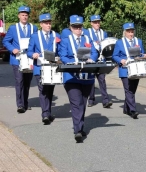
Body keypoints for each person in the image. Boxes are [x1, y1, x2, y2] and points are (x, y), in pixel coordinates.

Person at [59, 15, 98, 143]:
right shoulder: (66, 40)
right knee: (76, 103)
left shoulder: (87, 39)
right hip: (71, 77)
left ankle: (80, 126)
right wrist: (75, 61)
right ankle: (77, 131)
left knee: (82, 102)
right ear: (71, 27)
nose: (78, 29)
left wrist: (92, 58)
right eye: (75, 27)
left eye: (80, 27)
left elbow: (94, 52)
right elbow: (63, 56)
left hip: (87, 77)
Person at [3, 5, 38, 113]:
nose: (24, 17)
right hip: (17, 59)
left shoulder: (33, 28)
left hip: (29, 60)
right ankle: (20, 105)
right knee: (20, 81)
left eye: (26, 15)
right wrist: (12, 49)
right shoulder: (13, 28)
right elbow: (5, 41)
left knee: (27, 81)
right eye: (22, 15)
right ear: (19, 16)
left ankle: (25, 103)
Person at [27, 14, 60, 124]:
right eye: (46, 23)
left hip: (52, 68)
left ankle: (48, 112)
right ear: (41, 24)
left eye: (50, 23)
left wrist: (59, 58)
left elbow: (60, 50)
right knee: (43, 90)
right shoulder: (35, 36)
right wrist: (33, 55)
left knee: (50, 90)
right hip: (39, 68)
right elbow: (29, 52)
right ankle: (45, 113)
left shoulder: (55, 35)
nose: (48, 25)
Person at [112, 23, 146, 119]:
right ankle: (133, 110)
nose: (131, 34)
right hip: (125, 69)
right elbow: (115, 55)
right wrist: (121, 60)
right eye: (129, 32)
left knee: (132, 90)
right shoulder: (120, 42)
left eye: (132, 32)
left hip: (136, 69)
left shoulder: (138, 41)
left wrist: (144, 55)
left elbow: (142, 53)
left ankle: (126, 108)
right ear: (125, 33)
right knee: (128, 90)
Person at [84, 15, 112, 108]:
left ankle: (105, 100)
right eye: (95, 22)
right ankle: (91, 99)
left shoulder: (103, 33)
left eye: (98, 22)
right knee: (91, 80)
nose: (97, 24)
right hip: (91, 59)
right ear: (91, 23)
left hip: (101, 59)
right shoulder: (87, 32)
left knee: (102, 80)